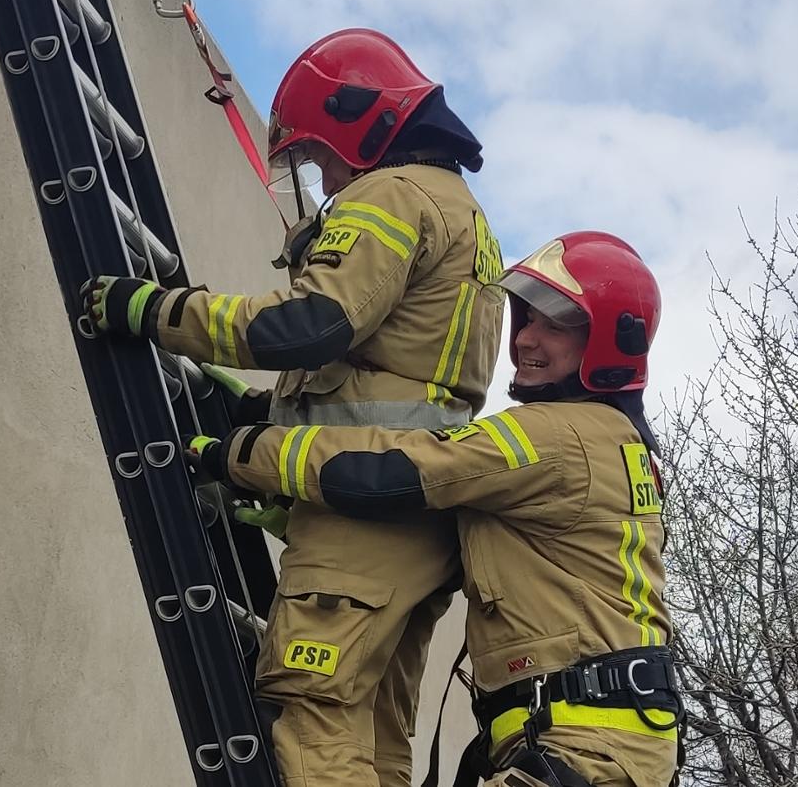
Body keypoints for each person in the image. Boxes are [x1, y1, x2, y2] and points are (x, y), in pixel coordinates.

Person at [81, 28, 505, 787]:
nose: (325, 177)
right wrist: (274, 452)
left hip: (363, 517)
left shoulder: (391, 195)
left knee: (308, 713)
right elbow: (389, 383)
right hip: (417, 513)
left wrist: (156, 311)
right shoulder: (465, 218)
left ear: (362, 123)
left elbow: (310, 326)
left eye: (318, 155)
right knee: (375, 740)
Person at [185, 232, 680, 787]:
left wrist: (247, 453)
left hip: (581, 749)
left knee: (310, 724)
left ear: (612, 344)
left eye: (557, 325)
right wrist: (299, 508)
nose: (527, 340)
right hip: (598, 747)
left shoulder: (556, 435)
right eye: (527, 320)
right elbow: (465, 538)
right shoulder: (612, 442)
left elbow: (395, 469)